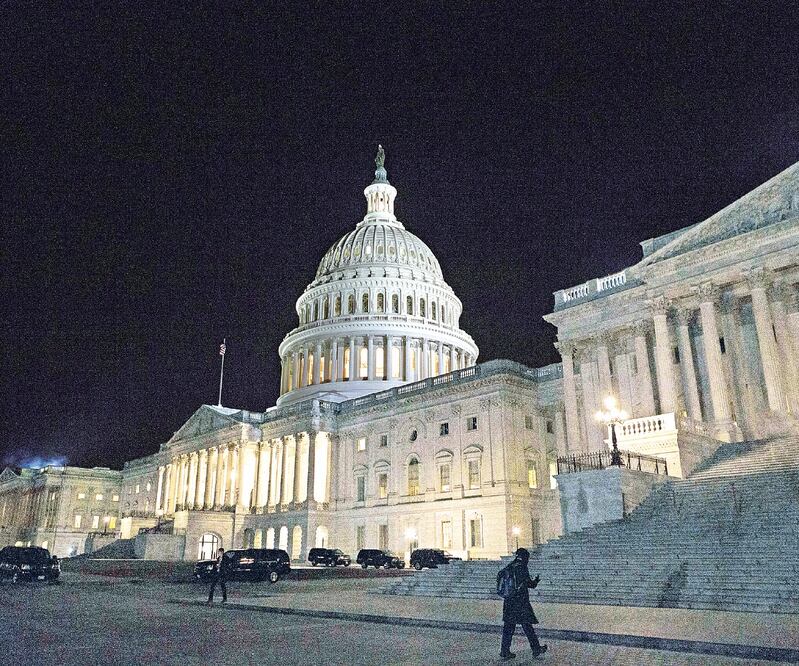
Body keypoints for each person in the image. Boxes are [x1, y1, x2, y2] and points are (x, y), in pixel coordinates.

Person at [498, 548, 547, 661]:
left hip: (509, 602)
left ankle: (504, 651)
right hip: (520, 602)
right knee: (527, 626)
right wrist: (535, 581)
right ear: (525, 557)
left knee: (508, 627)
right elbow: (529, 583)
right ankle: (536, 649)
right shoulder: (522, 567)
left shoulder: (510, 566)